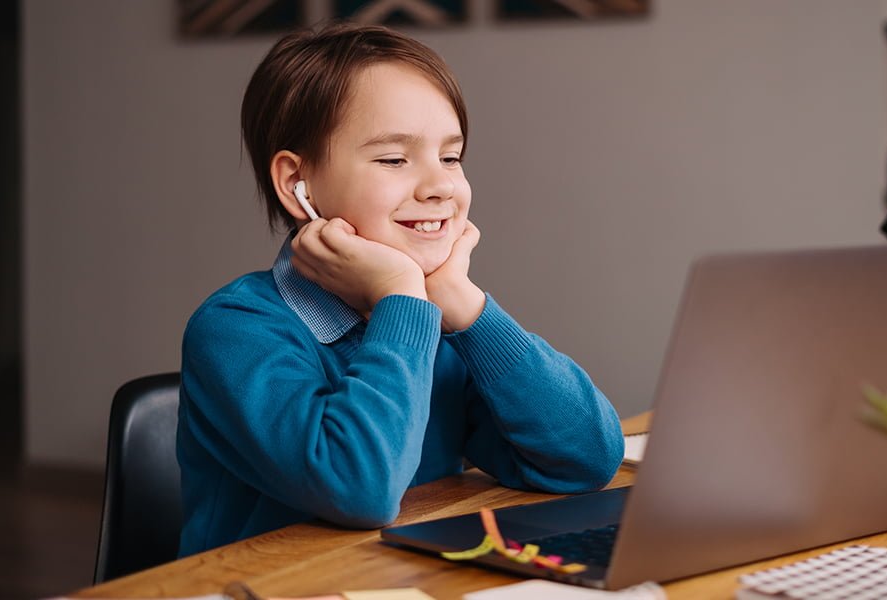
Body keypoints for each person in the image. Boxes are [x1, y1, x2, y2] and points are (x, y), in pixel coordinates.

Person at [176, 22, 625, 557]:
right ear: (298, 184)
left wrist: (469, 309)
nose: (438, 186)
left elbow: (587, 459)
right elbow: (360, 489)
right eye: (394, 159)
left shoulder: (436, 320)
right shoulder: (236, 329)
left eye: (451, 157)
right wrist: (401, 300)